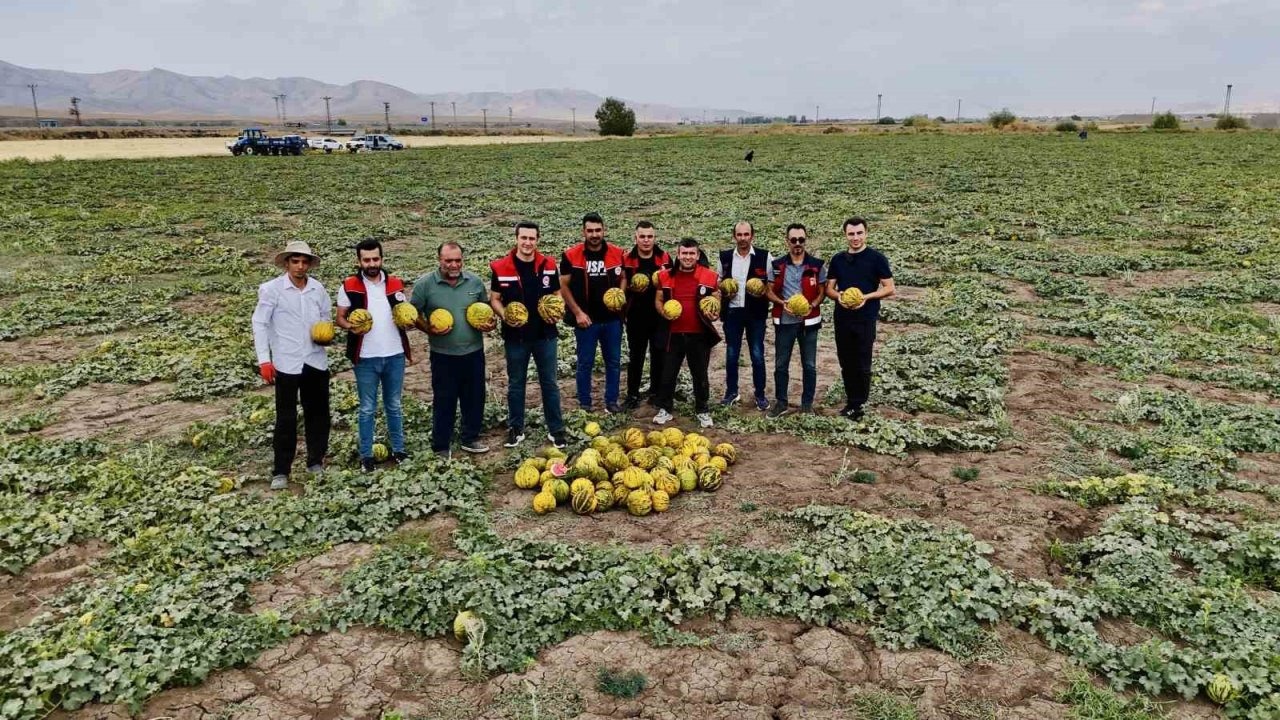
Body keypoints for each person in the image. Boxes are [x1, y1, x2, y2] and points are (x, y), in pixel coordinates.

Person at [251, 240, 331, 490]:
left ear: (309, 264)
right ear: (286, 263)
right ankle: (281, 470)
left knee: (318, 414)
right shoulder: (271, 289)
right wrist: (264, 359)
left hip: (315, 360)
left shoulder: (318, 289)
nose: (299, 266)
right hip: (286, 362)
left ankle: (315, 460)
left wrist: (326, 334)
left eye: (304, 262)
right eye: (295, 261)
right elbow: (260, 323)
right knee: (285, 418)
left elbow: (326, 318)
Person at [335, 238, 414, 472]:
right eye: (367, 259)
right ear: (359, 261)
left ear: (382, 258)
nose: (372, 263)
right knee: (367, 407)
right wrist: (351, 326)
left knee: (394, 405)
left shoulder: (395, 284)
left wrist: (409, 322)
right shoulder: (348, 285)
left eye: (376, 259)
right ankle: (366, 456)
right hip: (366, 357)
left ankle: (399, 450)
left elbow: (404, 312)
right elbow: (339, 318)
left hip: (395, 355)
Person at [489, 221, 568, 450]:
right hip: (516, 337)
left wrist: (558, 309)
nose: (527, 242)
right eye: (523, 238)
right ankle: (516, 428)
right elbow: (494, 298)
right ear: (516, 239)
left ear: (537, 240)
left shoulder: (548, 265)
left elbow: (556, 293)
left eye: (532, 238)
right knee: (516, 384)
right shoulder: (501, 267)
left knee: (550, 383)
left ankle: (556, 429)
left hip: (545, 335)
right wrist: (505, 315)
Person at [411, 241, 491, 455]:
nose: (454, 265)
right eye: (448, 261)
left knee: (474, 397)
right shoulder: (425, 285)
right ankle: (441, 445)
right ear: (439, 260)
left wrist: (490, 323)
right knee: (444, 399)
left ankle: (470, 437)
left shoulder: (474, 282)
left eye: (458, 260)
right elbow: (413, 313)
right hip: (443, 355)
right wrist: (428, 328)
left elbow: (486, 310)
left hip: (473, 352)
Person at [825, 217, 895, 420]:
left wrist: (866, 297)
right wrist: (840, 297)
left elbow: (890, 288)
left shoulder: (876, 258)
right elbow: (829, 288)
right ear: (845, 235)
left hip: (865, 317)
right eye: (851, 234)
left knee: (863, 362)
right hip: (843, 317)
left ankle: (860, 403)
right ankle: (851, 401)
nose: (855, 237)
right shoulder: (838, 259)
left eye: (859, 233)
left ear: (866, 233)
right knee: (846, 361)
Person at [560, 212, 627, 413]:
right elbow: (563, 286)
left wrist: (620, 295)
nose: (595, 234)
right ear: (584, 232)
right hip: (586, 321)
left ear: (603, 230)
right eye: (590, 231)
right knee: (585, 363)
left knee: (614, 362)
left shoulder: (617, 253)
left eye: (598, 230)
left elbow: (624, 276)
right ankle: (585, 403)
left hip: (612, 320)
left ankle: (612, 401)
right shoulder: (571, 255)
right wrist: (578, 313)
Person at [652, 238, 721, 428]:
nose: (688, 257)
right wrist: (662, 311)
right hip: (673, 334)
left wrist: (714, 313)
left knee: (700, 375)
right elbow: (658, 299)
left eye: (692, 254)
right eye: (684, 253)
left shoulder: (709, 276)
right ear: (678, 254)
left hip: (698, 334)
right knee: (668, 374)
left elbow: (716, 298)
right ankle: (665, 408)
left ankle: (702, 409)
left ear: (698, 255)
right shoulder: (665, 276)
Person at [765, 224, 826, 417]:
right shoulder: (776, 265)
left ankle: (807, 404)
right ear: (787, 241)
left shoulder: (817, 265)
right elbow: (768, 290)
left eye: (801, 239)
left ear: (806, 240)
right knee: (781, 364)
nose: (798, 244)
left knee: (809, 365)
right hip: (785, 322)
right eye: (793, 240)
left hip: (810, 322)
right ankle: (781, 402)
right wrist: (782, 303)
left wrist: (812, 304)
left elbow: (822, 292)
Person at [717, 220, 771, 409]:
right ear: (734, 236)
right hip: (732, 313)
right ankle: (731, 392)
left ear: (752, 236)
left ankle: (760, 394)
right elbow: (719, 283)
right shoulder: (724, 257)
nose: (742, 238)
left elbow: (771, 286)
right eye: (739, 235)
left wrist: (761, 291)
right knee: (732, 354)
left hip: (756, 314)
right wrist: (725, 292)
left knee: (757, 354)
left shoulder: (765, 256)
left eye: (746, 234)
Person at [622, 220, 671, 409]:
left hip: (659, 316)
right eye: (642, 236)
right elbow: (622, 284)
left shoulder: (664, 257)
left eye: (649, 236)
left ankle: (655, 392)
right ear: (636, 238)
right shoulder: (627, 259)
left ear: (654, 238)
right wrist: (630, 291)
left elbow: (671, 282)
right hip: (636, 316)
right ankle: (632, 395)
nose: (646, 240)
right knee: (636, 356)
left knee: (658, 355)